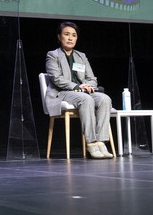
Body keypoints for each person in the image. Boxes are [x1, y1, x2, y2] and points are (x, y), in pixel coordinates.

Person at [45, 21, 114, 159]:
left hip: (83, 92)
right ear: (59, 37)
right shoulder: (53, 55)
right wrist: (77, 86)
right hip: (62, 92)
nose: (70, 38)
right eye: (66, 34)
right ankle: (91, 143)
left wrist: (88, 86)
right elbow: (56, 78)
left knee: (105, 99)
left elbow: (92, 78)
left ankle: (101, 142)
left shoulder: (81, 56)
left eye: (74, 35)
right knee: (86, 99)